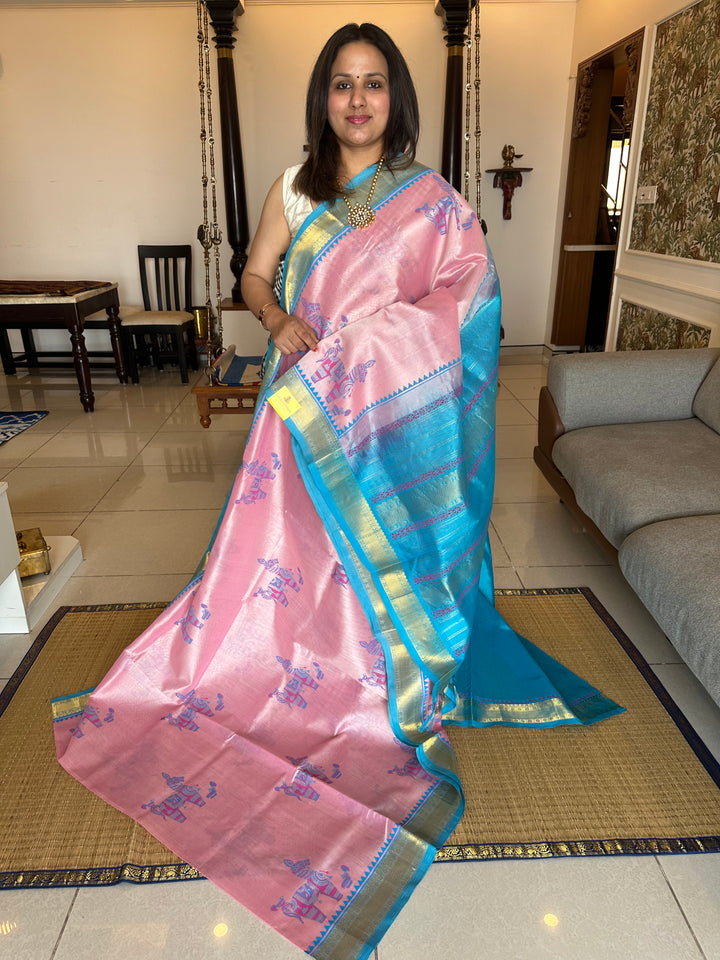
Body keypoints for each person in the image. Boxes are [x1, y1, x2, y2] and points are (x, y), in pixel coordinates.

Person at [54, 23, 622, 960]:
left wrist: (378, 345)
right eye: (341, 86)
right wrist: (279, 317)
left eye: (373, 85)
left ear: (395, 96)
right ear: (323, 98)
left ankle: (373, 674)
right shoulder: (295, 185)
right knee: (285, 555)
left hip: (389, 418)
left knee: (368, 557)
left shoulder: (432, 201)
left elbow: (471, 296)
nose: (357, 101)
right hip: (305, 403)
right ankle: (278, 665)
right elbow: (250, 274)